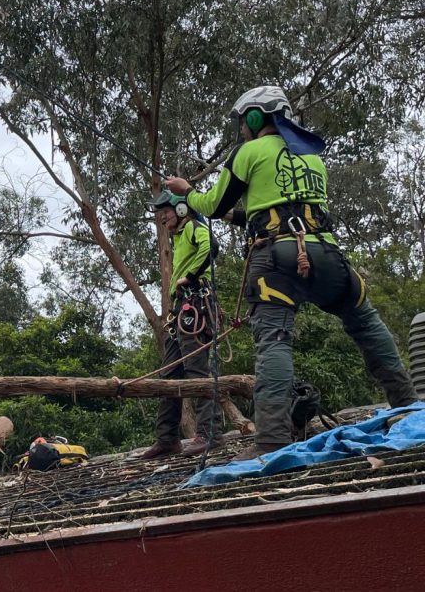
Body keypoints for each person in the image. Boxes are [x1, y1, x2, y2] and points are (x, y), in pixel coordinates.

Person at [164, 86, 417, 460]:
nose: (242, 130)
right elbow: (269, 209)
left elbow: (213, 205)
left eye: (243, 122)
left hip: (277, 262)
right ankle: (408, 408)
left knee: (275, 341)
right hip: (327, 254)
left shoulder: (249, 151)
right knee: (366, 322)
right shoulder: (311, 155)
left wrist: (187, 193)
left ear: (253, 118)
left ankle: (271, 441)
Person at [139, 190, 224, 460]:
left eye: (165, 211)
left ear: (181, 209)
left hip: (196, 305)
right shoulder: (178, 237)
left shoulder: (194, 228)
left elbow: (212, 246)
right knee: (170, 373)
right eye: (159, 212)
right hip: (181, 310)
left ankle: (211, 433)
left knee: (196, 370)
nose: (161, 217)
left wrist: (189, 276)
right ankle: (167, 439)